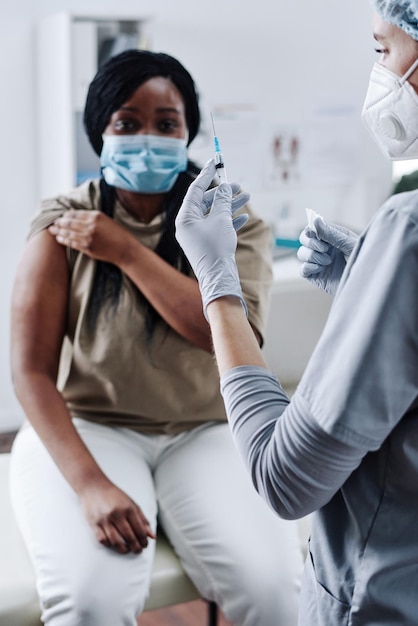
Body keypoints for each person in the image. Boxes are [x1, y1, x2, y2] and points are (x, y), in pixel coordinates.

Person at [9, 49, 303, 626]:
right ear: (100, 130)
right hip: (96, 428)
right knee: (92, 600)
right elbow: (31, 372)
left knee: (275, 590)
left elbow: (223, 335)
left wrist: (123, 250)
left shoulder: (228, 219)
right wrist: (91, 486)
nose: (147, 136)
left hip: (208, 430)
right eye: (127, 122)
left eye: (166, 123)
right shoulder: (62, 224)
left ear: (189, 131)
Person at [174, 1, 418, 623]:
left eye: (382, 50)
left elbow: (285, 479)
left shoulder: (408, 229)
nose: (380, 72)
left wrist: (218, 283)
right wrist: (373, 287)